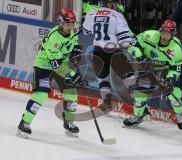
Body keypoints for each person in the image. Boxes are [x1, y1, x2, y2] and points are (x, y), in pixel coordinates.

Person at [17, 8, 85, 138]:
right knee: (41, 94)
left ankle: (68, 122)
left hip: (61, 64)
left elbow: (74, 41)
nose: (70, 27)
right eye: (67, 24)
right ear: (60, 22)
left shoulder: (73, 31)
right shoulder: (53, 39)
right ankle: (24, 123)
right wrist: (73, 75)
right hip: (44, 66)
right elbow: (57, 66)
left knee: (71, 93)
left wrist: (76, 49)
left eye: (72, 23)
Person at [123, 20, 182, 130]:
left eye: (168, 34)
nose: (165, 36)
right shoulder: (149, 35)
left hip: (166, 71)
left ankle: (179, 115)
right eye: (163, 33)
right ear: (160, 31)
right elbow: (132, 45)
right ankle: (137, 116)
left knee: (174, 93)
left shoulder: (176, 49)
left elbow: (176, 69)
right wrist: (141, 58)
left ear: (172, 35)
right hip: (147, 68)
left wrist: (170, 80)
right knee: (140, 95)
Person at [82, 0, 132, 112]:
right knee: (129, 77)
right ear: (111, 4)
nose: (118, 6)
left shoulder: (92, 13)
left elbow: (85, 31)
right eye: (116, 3)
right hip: (114, 51)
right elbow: (125, 42)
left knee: (102, 77)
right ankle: (141, 105)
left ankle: (106, 102)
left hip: (98, 51)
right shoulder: (118, 16)